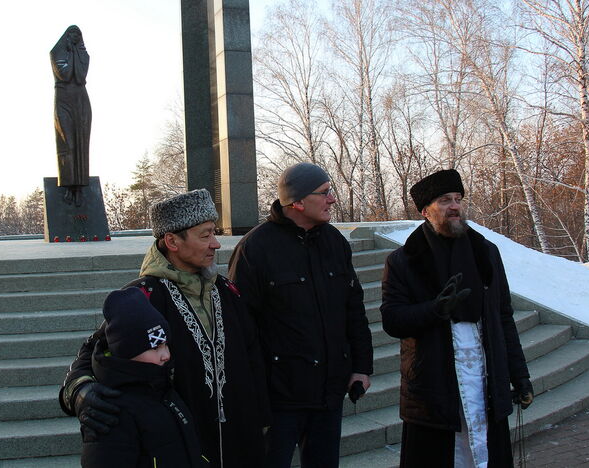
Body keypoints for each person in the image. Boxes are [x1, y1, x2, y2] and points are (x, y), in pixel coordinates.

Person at [60, 189, 269, 468]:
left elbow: (253, 358)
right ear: (172, 241)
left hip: (241, 446)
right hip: (182, 447)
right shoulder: (143, 297)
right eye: (205, 235)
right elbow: (91, 353)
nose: (216, 244)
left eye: (214, 233)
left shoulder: (227, 292)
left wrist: (263, 420)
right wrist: (82, 392)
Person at [380, 169, 534, 468]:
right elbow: (392, 320)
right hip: (434, 387)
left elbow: (503, 318)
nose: (454, 206)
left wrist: (520, 375)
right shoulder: (403, 260)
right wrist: (434, 309)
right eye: (444, 200)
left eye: (458, 199)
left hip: (485, 379)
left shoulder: (486, 253)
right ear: (425, 211)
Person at [228, 162, 374, 468]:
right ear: (296, 202)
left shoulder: (335, 242)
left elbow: (353, 309)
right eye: (324, 192)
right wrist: (252, 390)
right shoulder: (255, 248)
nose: (332, 198)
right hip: (279, 398)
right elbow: (240, 327)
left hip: (329, 393)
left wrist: (361, 366)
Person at [80, 287, 207, 468]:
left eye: (165, 345)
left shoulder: (164, 389)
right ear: (128, 352)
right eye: (155, 348)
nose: (166, 355)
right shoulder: (109, 412)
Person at [51, 25, 92, 206]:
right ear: (67, 36)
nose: (76, 36)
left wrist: (76, 53)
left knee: (82, 145)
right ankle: (68, 186)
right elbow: (65, 74)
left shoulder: (84, 54)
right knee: (68, 144)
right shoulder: (56, 52)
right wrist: (70, 53)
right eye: (72, 33)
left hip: (81, 100)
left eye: (78, 34)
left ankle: (80, 189)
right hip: (64, 100)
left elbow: (81, 76)